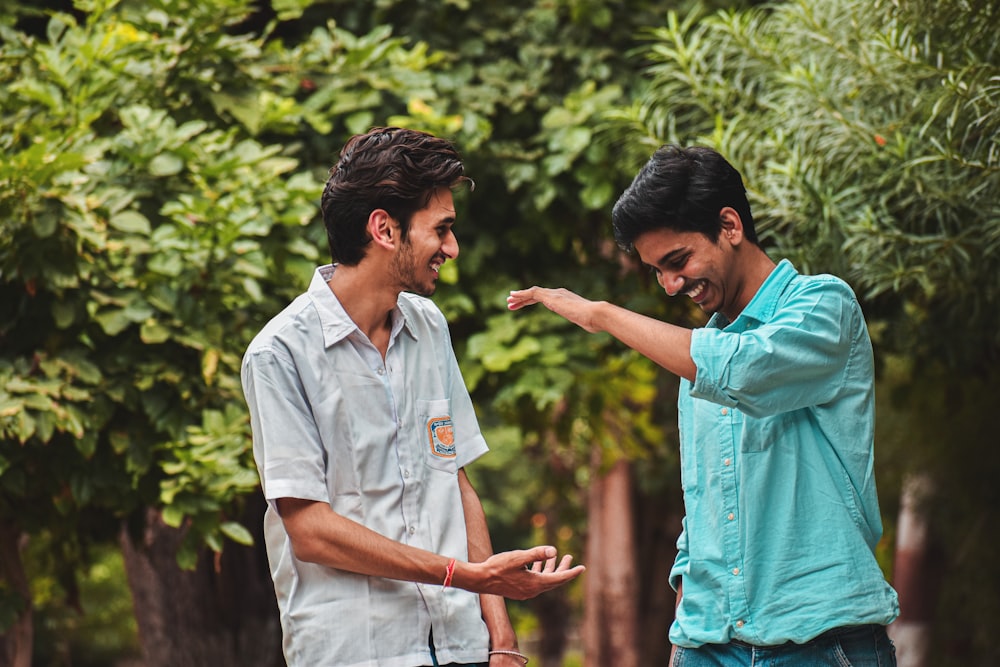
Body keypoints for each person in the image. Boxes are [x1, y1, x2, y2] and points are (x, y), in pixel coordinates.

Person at [507, 145, 900, 666]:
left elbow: (744, 370)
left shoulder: (824, 307)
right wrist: (682, 642)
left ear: (730, 225)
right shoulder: (697, 362)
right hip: (707, 646)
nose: (670, 286)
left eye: (677, 261)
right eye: (656, 271)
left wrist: (600, 314)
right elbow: (702, 516)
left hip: (821, 643)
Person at [242, 127, 584, 667]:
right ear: (384, 228)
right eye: (441, 229)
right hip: (356, 652)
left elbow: (455, 482)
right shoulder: (279, 354)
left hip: (459, 646)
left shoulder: (429, 326)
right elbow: (308, 530)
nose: (452, 247)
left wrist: (501, 640)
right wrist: (460, 575)